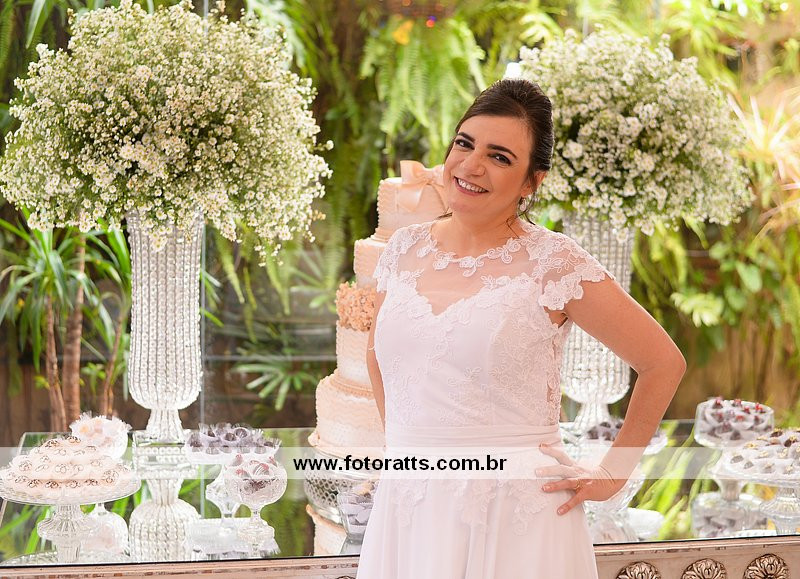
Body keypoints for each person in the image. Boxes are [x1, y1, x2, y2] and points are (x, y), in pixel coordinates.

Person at [356, 78, 686, 578]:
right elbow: (377, 356)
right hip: (409, 508)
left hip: (517, 516)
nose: (471, 165)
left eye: (499, 156)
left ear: (532, 181)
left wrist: (613, 472)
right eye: (464, 143)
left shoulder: (554, 263)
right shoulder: (402, 249)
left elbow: (662, 363)